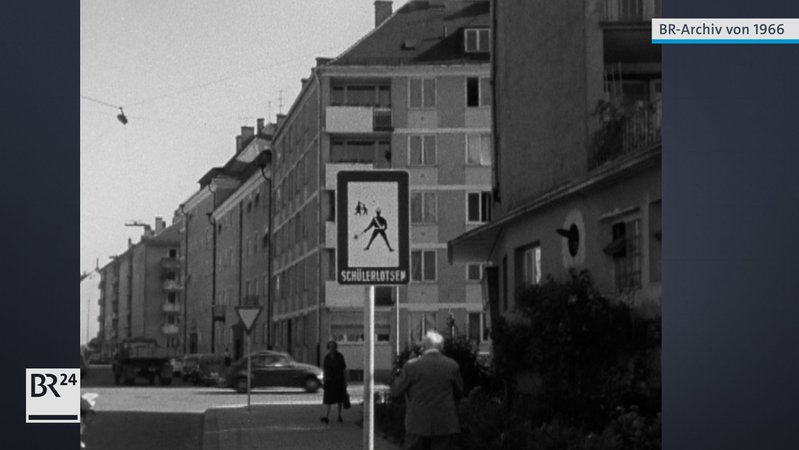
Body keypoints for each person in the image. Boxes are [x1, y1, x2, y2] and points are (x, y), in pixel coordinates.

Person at [391, 331, 464, 450]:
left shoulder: (412, 366)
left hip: (417, 424)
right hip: (445, 423)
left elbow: (396, 391)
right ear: (441, 348)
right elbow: (460, 391)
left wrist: (400, 371)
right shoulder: (452, 365)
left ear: (423, 347)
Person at [321, 340, 348, 424]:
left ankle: (339, 415)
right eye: (330, 347)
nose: (331, 348)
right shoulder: (327, 358)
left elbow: (344, 369)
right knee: (328, 399)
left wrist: (346, 381)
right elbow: (325, 369)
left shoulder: (340, 357)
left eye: (333, 347)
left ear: (336, 347)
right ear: (328, 348)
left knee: (339, 399)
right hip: (329, 381)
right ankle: (326, 416)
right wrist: (324, 379)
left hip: (339, 380)